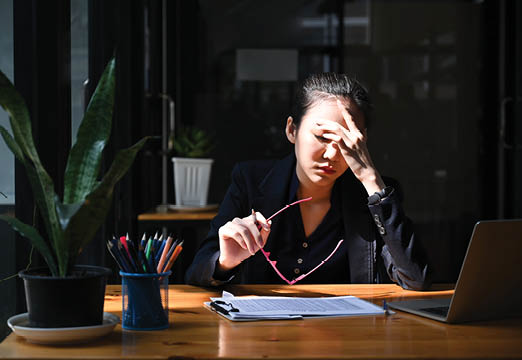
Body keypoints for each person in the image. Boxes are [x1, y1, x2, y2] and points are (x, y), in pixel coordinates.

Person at [185, 73, 430, 290]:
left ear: (362, 142)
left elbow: (415, 279)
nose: (332, 154)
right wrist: (225, 263)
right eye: (322, 137)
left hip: (349, 336)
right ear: (292, 130)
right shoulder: (250, 180)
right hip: (262, 336)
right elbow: (197, 272)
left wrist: (370, 180)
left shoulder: (375, 196)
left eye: (345, 142)